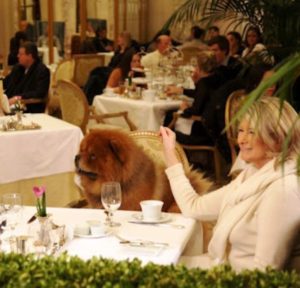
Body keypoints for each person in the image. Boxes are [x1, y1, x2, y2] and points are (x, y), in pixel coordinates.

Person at [160, 97, 300, 271]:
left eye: (251, 132)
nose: (241, 139)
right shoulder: (250, 176)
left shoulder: (283, 190)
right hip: (218, 267)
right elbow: (194, 207)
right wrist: (169, 152)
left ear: (277, 137)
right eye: (241, 130)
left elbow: (266, 272)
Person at [165, 51, 223, 146]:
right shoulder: (217, 78)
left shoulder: (204, 83)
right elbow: (201, 95)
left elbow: (195, 111)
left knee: (169, 116)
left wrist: (185, 108)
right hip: (216, 129)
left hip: (201, 132)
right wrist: (181, 90)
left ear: (199, 68)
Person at [3, 42, 50, 113]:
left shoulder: (42, 71)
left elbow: (39, 93)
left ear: (30, 56)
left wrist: (18, 98)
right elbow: (6, 82)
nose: (18, 56)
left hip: (29, 107)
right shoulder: (18, 68)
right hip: (9, 104)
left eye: (21, 54)